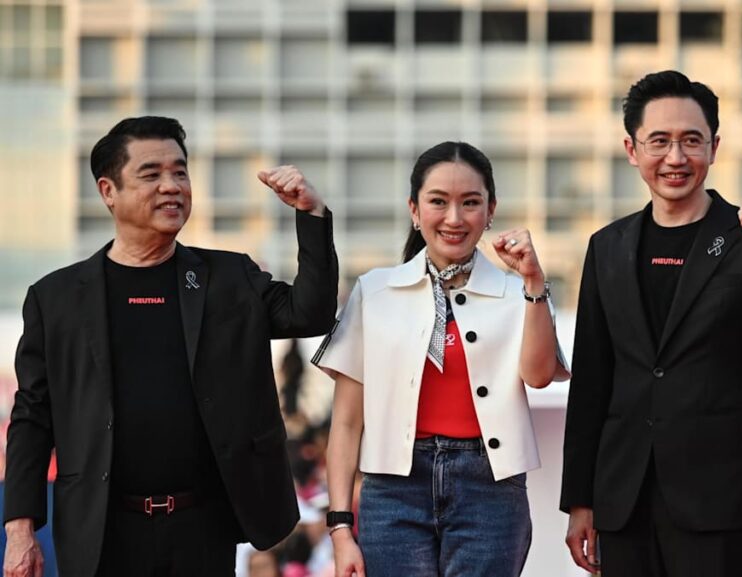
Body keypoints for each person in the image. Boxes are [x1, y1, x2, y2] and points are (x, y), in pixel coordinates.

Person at [3, 116, 339, 577]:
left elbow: (310, 314)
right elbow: (32, 415)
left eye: (180, 172)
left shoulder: (229, 278)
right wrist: (20, 529)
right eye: (151, 174)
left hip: (203, 524)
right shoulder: (56, 298)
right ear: (108, 191)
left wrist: (311, 214)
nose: (172, 186)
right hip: (101, 529)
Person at [560, 70, 742, 577]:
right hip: (625, 497)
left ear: (714, 148)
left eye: (691, 141)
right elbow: (591, 380)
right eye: (659, 141)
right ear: (632, 150)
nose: (675, 158)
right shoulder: (607, 247)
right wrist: (580, 500)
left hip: (721, 496)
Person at [312, 141, 569, 577]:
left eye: (470, 202)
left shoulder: (518, 293)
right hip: (393, 491)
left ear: (490, 210)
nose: (454, 218)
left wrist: (533, 282)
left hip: (490, 489)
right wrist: (340, 529)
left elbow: (540, 376)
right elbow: (347, 422)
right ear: (414, 209)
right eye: (438, 202)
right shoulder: (375, 292)